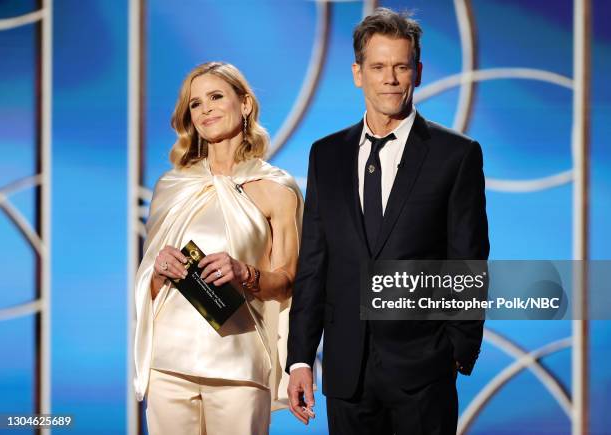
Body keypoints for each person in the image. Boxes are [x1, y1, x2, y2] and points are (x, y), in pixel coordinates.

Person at [286, 8, 489, 435]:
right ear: (359, 73)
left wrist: (457, 350)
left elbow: (468, 261)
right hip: (346, 372)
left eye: (400, 66)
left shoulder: (456, 155)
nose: (390, 79)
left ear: (417, 70)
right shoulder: (326, 155)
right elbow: (313, 262)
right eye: (378, 67)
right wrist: (301, 357)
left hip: (425, 372)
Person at [133, 61, 303, 435]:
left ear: (244, 104)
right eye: (195, 104)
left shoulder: (276, 188)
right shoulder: (172, 186)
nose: (205, 109)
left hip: (238, 366)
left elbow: (289, 283)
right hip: (169, 365)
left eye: (215, 97)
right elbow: (148, 287)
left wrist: (245, 273)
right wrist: (158, 270)